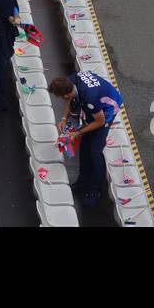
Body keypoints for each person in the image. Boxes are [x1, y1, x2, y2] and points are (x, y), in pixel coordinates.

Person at [51, 71, 123, 207]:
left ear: (66, 93)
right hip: (95, 108)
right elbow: (69, 100)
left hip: (106, 111)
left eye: (62, 97)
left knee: (95, 151)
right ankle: (82, 181)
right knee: (85, 147)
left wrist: (78, 133)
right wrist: (64, 119)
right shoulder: (69, 80)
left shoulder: (90, 97)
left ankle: (95, 189)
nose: (63, 99)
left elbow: (100, 121)